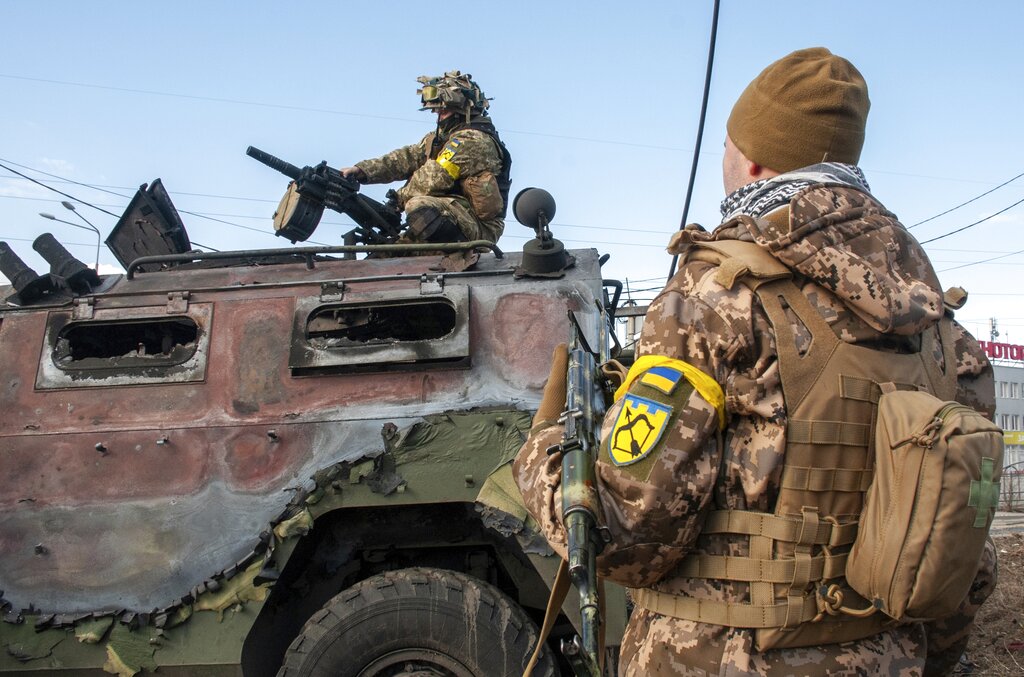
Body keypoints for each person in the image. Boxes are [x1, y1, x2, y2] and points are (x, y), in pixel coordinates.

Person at [514, 47, 997, 675]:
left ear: (754, 160)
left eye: (725, 144)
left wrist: (543, 451)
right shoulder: (941, 332)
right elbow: (964, 560)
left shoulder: (712, 299)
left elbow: (624, 535)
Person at [339, 70, 511, 245]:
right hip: (447, 214)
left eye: (443, 111)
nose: (438, 116)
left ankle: (453, 254)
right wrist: (362, 170)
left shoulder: (473, 140)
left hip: (478, 227)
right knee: (388, 252)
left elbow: (434, 177)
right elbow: (405, 158)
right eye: (437, 111)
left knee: (417, 205)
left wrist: (396, 202)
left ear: (462, 109)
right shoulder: (440, 138)